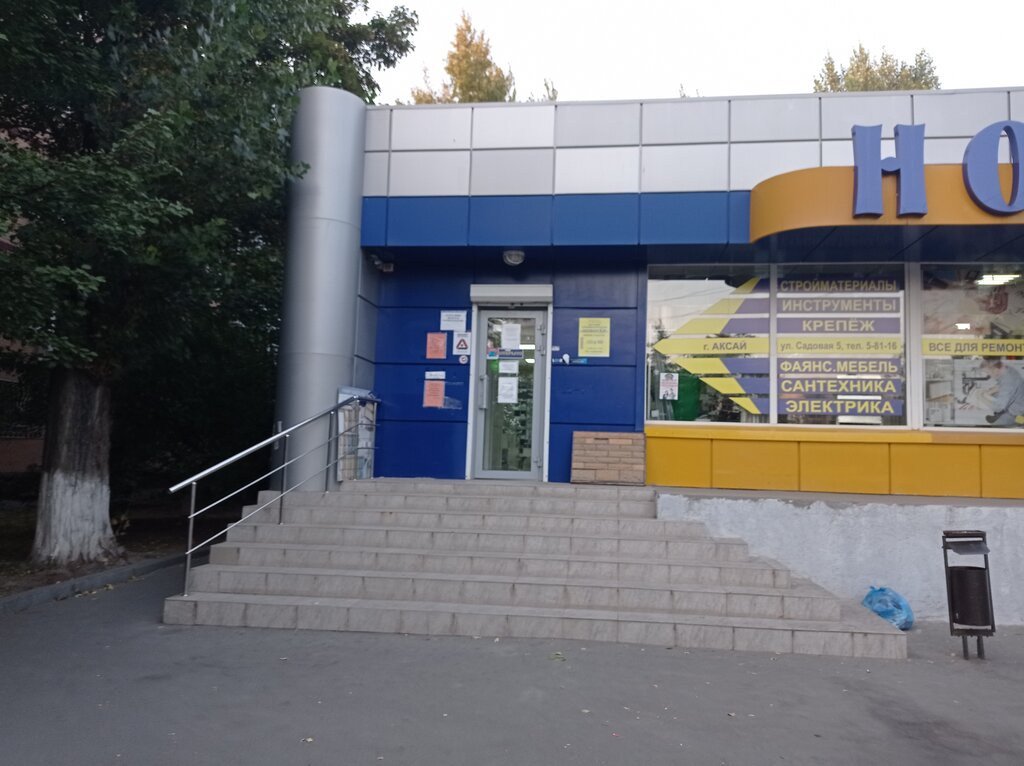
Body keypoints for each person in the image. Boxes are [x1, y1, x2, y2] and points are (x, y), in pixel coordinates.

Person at [980, 357, 1024, 426]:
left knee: (993, 429)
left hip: (1018, 416)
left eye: (988, 372)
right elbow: (1002, 385)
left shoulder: (1008, 381)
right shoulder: (1007, 370)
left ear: (995, 369)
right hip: (1014, 406)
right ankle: (997, 416)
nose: (989, 375)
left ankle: (1001, 418)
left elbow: (999, 408)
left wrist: (984, 396)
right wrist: (992, 390)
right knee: (996, 398)